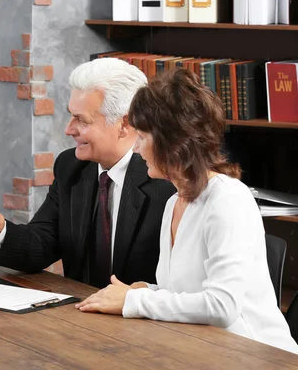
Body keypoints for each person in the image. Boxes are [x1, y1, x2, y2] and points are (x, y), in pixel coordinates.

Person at [75, 68, 298, 353]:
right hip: (205, 351)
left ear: (172, 142)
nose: (137, 148)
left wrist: (134, 302)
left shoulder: (228, 199)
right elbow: (188, 295)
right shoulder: (175, 202)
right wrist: (141, 290)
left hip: (257, 356)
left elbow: (221, 306)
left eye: (143, 137)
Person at [0, 58, 176, 287]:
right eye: (71, 115)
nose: (68, 129)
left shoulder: (167, 181)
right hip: (80, 315)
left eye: (82, 120)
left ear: (125, 124)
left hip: (144, 320)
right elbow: (41, 246)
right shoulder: (71, 166)